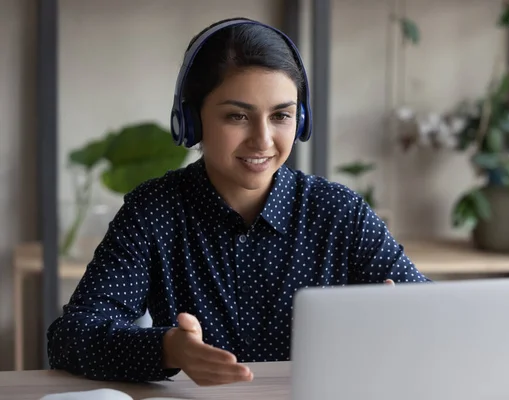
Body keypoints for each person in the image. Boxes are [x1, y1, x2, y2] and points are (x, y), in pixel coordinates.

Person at [46, 17, 431, 387]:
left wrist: (406, 319)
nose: (262, 140)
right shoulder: (154, 211)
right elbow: (70, 337)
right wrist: (167, 349)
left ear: (302, 119)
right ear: (191, 121)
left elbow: (432, 311)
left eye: (281, 115)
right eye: (237, 116)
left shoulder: (338, 211)